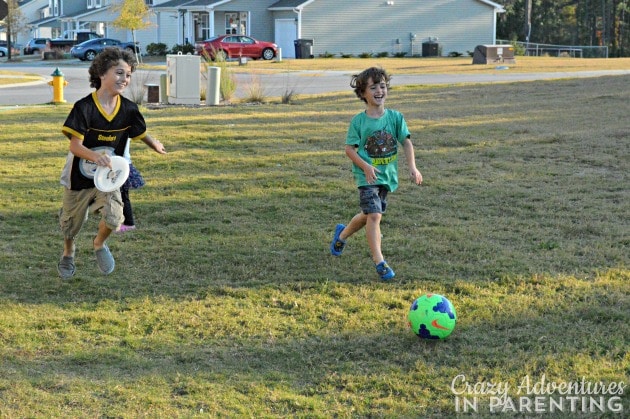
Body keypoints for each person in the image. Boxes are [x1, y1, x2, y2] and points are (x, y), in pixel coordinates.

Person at [57, 47, 166, 279]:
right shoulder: (84, 108)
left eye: (128, 75)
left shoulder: (128, 110)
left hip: (108, 177)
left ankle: (99, 244)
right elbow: (74, 146)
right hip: (78, 176)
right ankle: (68, 253)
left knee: (116, 216)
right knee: (70, 224)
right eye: (119, 73)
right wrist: (94, 156)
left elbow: (139, 132)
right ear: (101, 74)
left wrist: (152, 143)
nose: (124, 79)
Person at [330, 67, 422, 281]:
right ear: (363, 93)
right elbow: (349, 149)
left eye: (382, 86)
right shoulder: (359, 122)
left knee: (367, 215)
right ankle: (379, 261)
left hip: (386, 177)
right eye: (373, 87)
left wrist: (412, 167)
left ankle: (342, 235)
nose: (379, 90)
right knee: (374, 215)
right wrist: (366, 167)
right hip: (367, 177)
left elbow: (406, 143)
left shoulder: (396, 118)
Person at [117, 140, 145, 233]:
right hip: (118, 163)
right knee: (120, 196)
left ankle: (129, 223)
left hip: (120, 165)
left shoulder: (122, 129)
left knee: (122, 196)